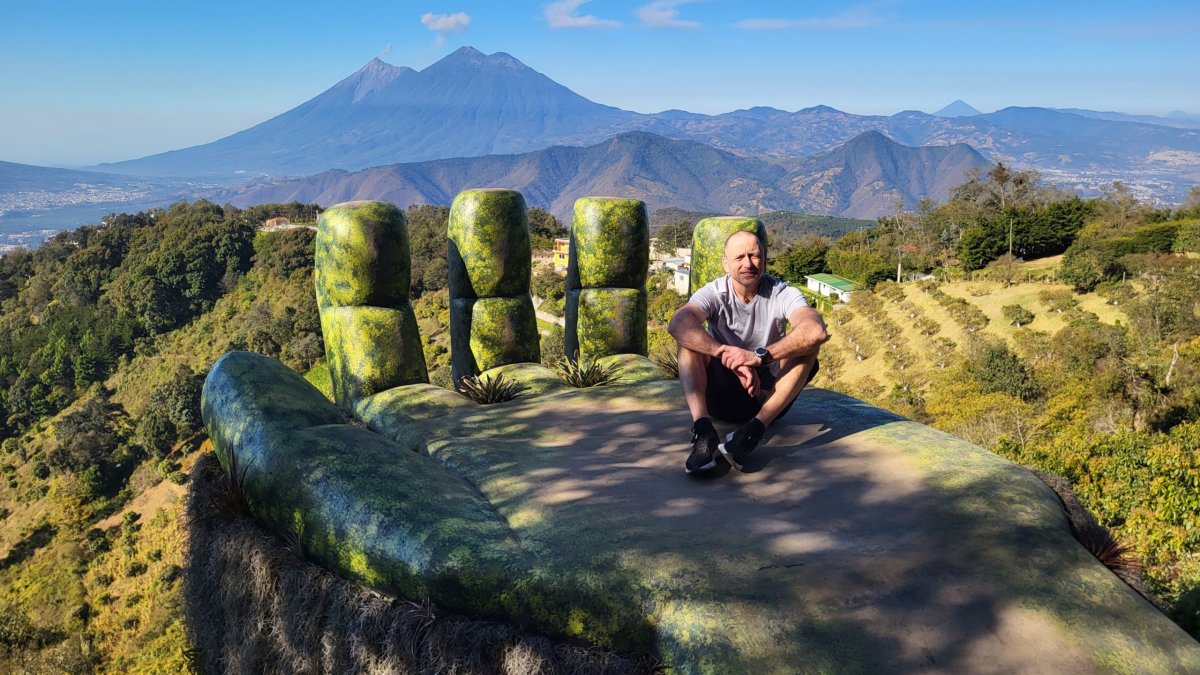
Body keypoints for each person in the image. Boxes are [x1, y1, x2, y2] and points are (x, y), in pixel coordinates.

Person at [668, 230, 828, 473]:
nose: (748, 263)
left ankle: (751, 434)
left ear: (764, 258)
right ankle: (703, 432)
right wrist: (727, 355)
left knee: (808, 348)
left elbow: (815, 330)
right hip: (721, 396)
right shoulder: (714, 292)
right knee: (688, 340)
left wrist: (755, 357)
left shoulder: (781, 292)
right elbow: (678, 324)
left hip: (767, 399)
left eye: (754, 256)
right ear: (725, 263)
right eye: (739, 257)